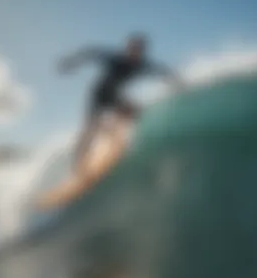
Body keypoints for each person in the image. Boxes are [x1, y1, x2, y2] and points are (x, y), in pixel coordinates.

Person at [57, 34, 182, 173]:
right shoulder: (116, 59)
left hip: (113, 97)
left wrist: (176, 81)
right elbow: (92, 53)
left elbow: (160, 71)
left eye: (138, 49)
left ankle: (114, 139)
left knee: (135, 110)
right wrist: (71, 62)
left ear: (142, 51)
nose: (134, 52)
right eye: (132, 48)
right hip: (98, 95)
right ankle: (78, 166)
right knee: (90, 129)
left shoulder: (142, 65)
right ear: (127, 48)